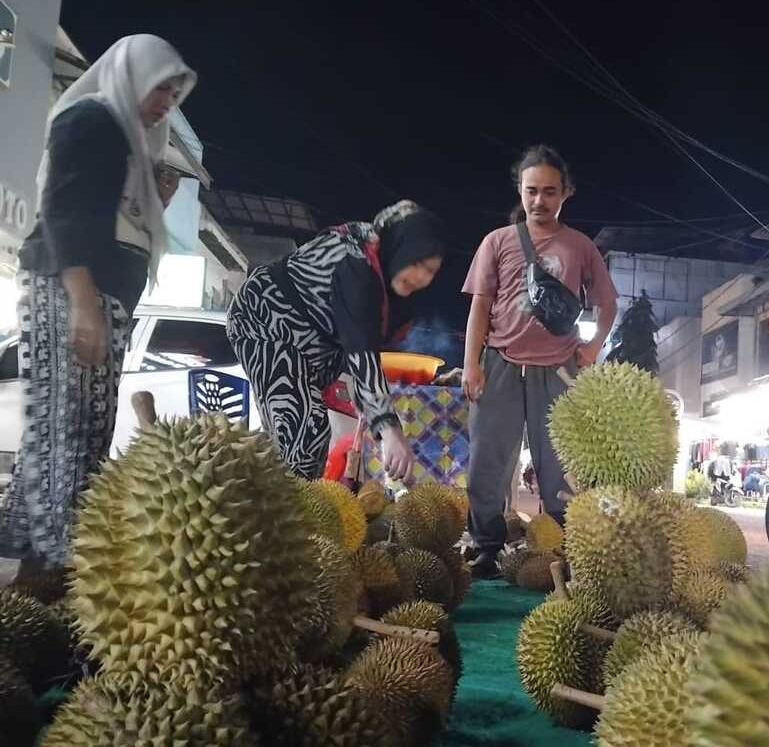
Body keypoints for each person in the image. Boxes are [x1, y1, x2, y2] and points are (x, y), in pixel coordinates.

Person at [0, 35, 196, 579]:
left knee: (87, 428)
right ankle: (54, 568)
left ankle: (43, 569)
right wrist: (83, 302)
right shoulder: (90, 119)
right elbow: (65, 210)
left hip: (100, 295)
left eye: (173, 97)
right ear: (133, 75)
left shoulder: (132, 142)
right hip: (68, 289)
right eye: (160, 89)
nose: (165, 104)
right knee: (66, 427)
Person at [462, 145, 618, 577]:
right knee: (486, 462)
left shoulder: (581, 246)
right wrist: (471, 363)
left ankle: (559, 548)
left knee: (559, 468)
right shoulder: (496, 241)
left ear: (565, 193)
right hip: (501, 362)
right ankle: (487, 547)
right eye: (531, 191)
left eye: (550, 192)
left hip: (559, 368)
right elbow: (480, 305)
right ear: (520, 189)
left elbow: (607, 303)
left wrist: (592, 348)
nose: (539, 201)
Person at [227, 200, 447, 481]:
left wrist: (371, 407)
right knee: (305, 429)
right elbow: (360, 346)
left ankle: (276, 506)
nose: (421, 277)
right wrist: (389, 427)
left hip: (313, 348)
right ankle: (290, 516)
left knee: (292, 439)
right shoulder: (356, 262)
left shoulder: (389, 288)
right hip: (265, 320)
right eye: (417, 263)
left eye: (430, 271)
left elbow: (366, 350)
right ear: (401, 247)